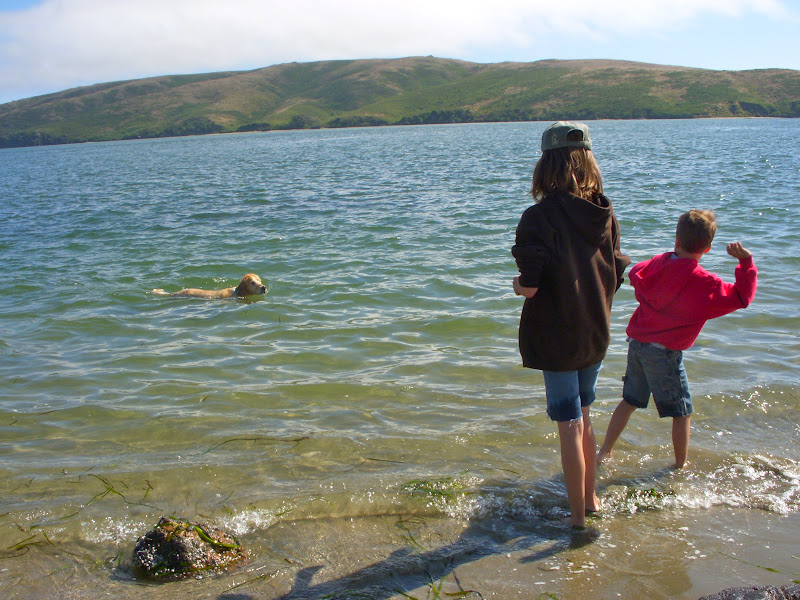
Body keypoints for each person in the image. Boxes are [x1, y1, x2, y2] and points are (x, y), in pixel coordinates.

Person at [512, 121, 630, 528]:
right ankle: (592, 499)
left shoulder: (537, 217)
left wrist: (516, 285)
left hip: (559, 337)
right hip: (596, 331)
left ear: (546, 166)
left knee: (569, 425)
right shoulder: (604, 212)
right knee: (585, 414)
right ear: (588, 162)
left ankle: (577, 521)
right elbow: (616, 270)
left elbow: (530, 287)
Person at [597, 209, 757, 469]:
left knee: (630, 401)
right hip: (665, 354)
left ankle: (605, 451)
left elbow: (637, 272)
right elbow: (742, 298)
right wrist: (746, 263)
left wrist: (667, 258)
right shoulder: (706, 283)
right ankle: (680, 466)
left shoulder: (661, 263)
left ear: (677, 240)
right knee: (682, 412)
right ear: (707, 249)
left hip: (638, 346)